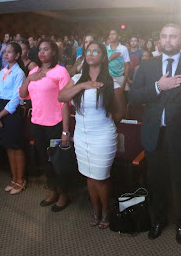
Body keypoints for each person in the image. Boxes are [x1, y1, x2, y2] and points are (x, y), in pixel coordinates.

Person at [129, 23, 181, 244]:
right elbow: (133, 98)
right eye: (164, 36)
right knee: (156, 182)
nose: (168, 40)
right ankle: (158, 220)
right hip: (154, 135)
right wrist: (158, 86)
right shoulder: (147, 65)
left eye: (173, 36)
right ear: (159, 40)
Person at [58, 41, 126, 229]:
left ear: (103, 57)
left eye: (96, 52)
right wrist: (83, 86)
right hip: (81, 135)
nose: (91, 54)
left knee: (101, 176)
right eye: (88, 51)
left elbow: (121, 112)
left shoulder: (112, 81)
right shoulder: (77, 78)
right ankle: (96, 210)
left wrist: (106, 125)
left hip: (103, 135)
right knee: (88, 174)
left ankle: (106, 211)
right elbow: (61, 97)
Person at [19, 39, 72, 212]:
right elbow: (22, 94)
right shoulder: (34, 71)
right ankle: (53, 190)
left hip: (55, 124)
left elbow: (65, 103)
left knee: (58, 161)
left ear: (54, 52)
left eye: (46, 49)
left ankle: (64, 193)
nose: (42, 53)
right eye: (40, 49)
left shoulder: (60, 71)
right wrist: (29, 78)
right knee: (44, 160)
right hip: (37, 123)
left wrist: (65, 131)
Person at [0, 42, 27, 195]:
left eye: (10, 52)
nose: (6, 54)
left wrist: (0, 115)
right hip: (1, 109)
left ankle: (21, 180)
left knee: (16, 146)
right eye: (5, 51)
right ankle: (14, 178)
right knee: (8, 146)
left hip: (11, 112)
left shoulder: (19, 73)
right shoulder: (3, 71)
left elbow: (16, 98)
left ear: (17, 55)